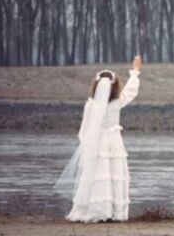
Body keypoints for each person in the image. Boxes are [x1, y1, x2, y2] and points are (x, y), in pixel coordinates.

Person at [54, 56, 142, 223]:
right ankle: (114, 211)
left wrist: (87, 144)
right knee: (113, 175)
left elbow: (84, 129)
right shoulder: (116, 102)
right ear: (115, 86)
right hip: (113, 142)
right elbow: (131, 91)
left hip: (97, 142)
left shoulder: (91, 105)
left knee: (96, 175)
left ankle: (94, 209)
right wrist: (135, 72)